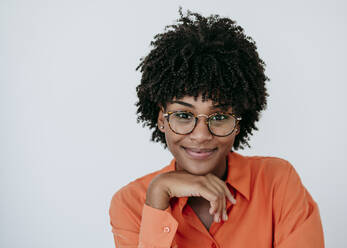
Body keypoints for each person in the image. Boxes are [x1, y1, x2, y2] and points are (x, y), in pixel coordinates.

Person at [109, 8, 325, 248]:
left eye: (219, 116)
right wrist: (159, 194)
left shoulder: (277, 183)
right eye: (183, 115)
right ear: (161, 118)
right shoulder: (131, 203)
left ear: (239, 122)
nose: (201, 135)